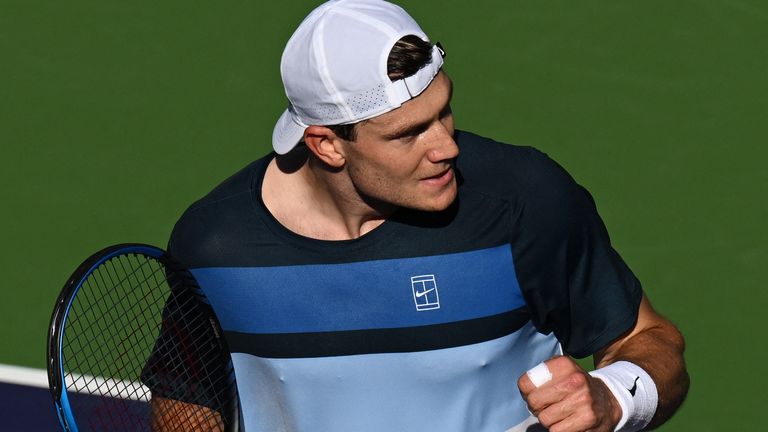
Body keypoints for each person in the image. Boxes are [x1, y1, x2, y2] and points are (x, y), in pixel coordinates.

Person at [153, 0, 689, 430]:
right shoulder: (215, 248)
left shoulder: (522, 202)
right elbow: (190, 397)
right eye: (408, 134)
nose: (445, 147)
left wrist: (612, 398)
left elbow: (650, 342)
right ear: (327, 145)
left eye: (443, 112)